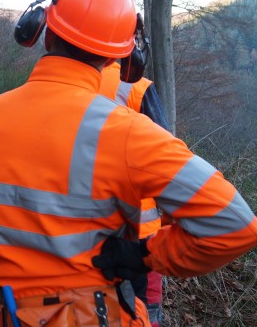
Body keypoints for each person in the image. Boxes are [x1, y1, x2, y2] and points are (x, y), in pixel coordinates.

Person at [0, 0, 257, 326]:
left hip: (10, 310)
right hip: (94, 314)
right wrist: (144, 255)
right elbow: (237, 226)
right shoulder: (128, 133)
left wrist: (24, 263)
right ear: (120, 58)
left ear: (43, 31)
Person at [99, 59, 168, 327]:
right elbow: (165, 160)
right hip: (140, 230)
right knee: (143, 312)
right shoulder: (136, 88)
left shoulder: (63, 87)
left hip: (78, 230)